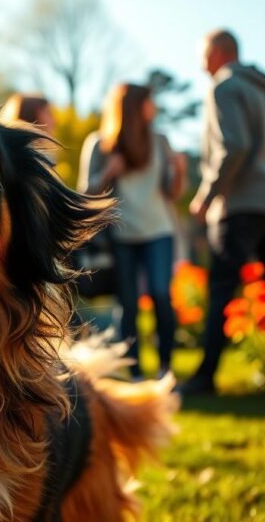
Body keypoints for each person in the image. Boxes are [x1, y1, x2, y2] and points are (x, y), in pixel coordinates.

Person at [184, 29, 265, 395]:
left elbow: (233, 146)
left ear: (221, 52)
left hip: (239, 204)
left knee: (222, 287)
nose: (202, 64)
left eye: (204, 55)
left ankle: (205, 376)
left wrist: (206, 195)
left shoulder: (224, 87)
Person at [79, 84, 186, 379]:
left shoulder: (160, 141)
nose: (155, 107)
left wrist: (178, 172)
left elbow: (172, 193)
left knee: (161, 294)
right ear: (134, 107)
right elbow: (85, 194)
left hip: (158, 231)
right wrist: (108, 172)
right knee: (127, 303)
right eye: (150, 101)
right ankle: (135, 371)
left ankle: (166, 368)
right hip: (121, 236)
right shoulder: (100, 143)